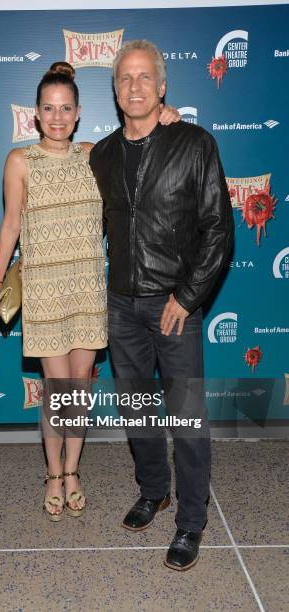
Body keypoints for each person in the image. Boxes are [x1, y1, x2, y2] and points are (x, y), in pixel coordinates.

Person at [0, 61, 179, 522]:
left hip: (89, 288)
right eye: (49, 109)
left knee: (79, 392)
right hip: (46, 289)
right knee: (58, 392)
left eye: (66, 109)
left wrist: (168, 116)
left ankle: (73, 470)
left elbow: (144, 145)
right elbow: (11, 223)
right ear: (36, 114)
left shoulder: (96, 155)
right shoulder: (20, 161)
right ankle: (52, 474)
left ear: (78, 114)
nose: (57, 118)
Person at [90, 40, 234, 570]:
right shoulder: (102, 154)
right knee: (137, 410)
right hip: (121, 306)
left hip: (174, 306)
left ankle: (191, 521)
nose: (134, 87)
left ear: (163, 85)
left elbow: (219, 228)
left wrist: (187, 296)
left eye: (144, 77)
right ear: (115, 88)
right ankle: (155, 490)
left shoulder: (194, 143)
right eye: (125, 78)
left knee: (189, 418)